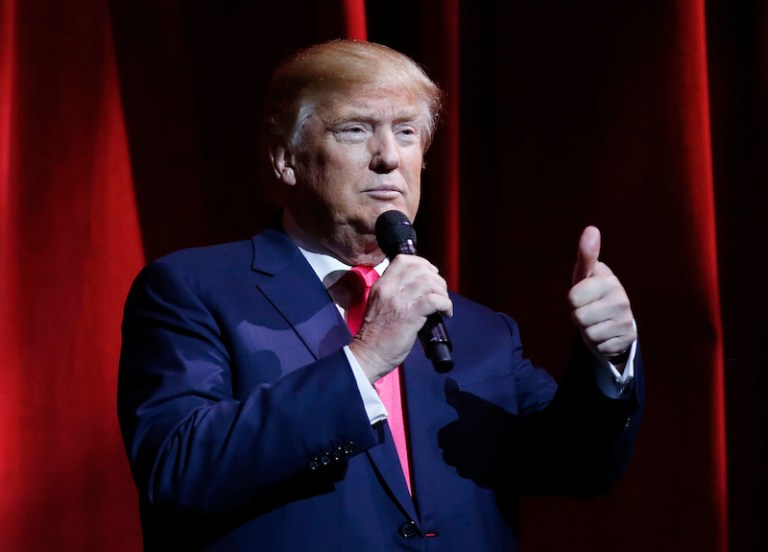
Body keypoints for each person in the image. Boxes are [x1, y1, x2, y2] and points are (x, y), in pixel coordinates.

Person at [118, 39, 643, 551]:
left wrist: (608, 360)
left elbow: (579, 467)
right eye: (355, 130)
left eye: (407, 132)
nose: (388, 157)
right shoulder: (194, 290)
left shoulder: (479, 329)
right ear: (285, 158)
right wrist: (364, 359)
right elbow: (176, 471)